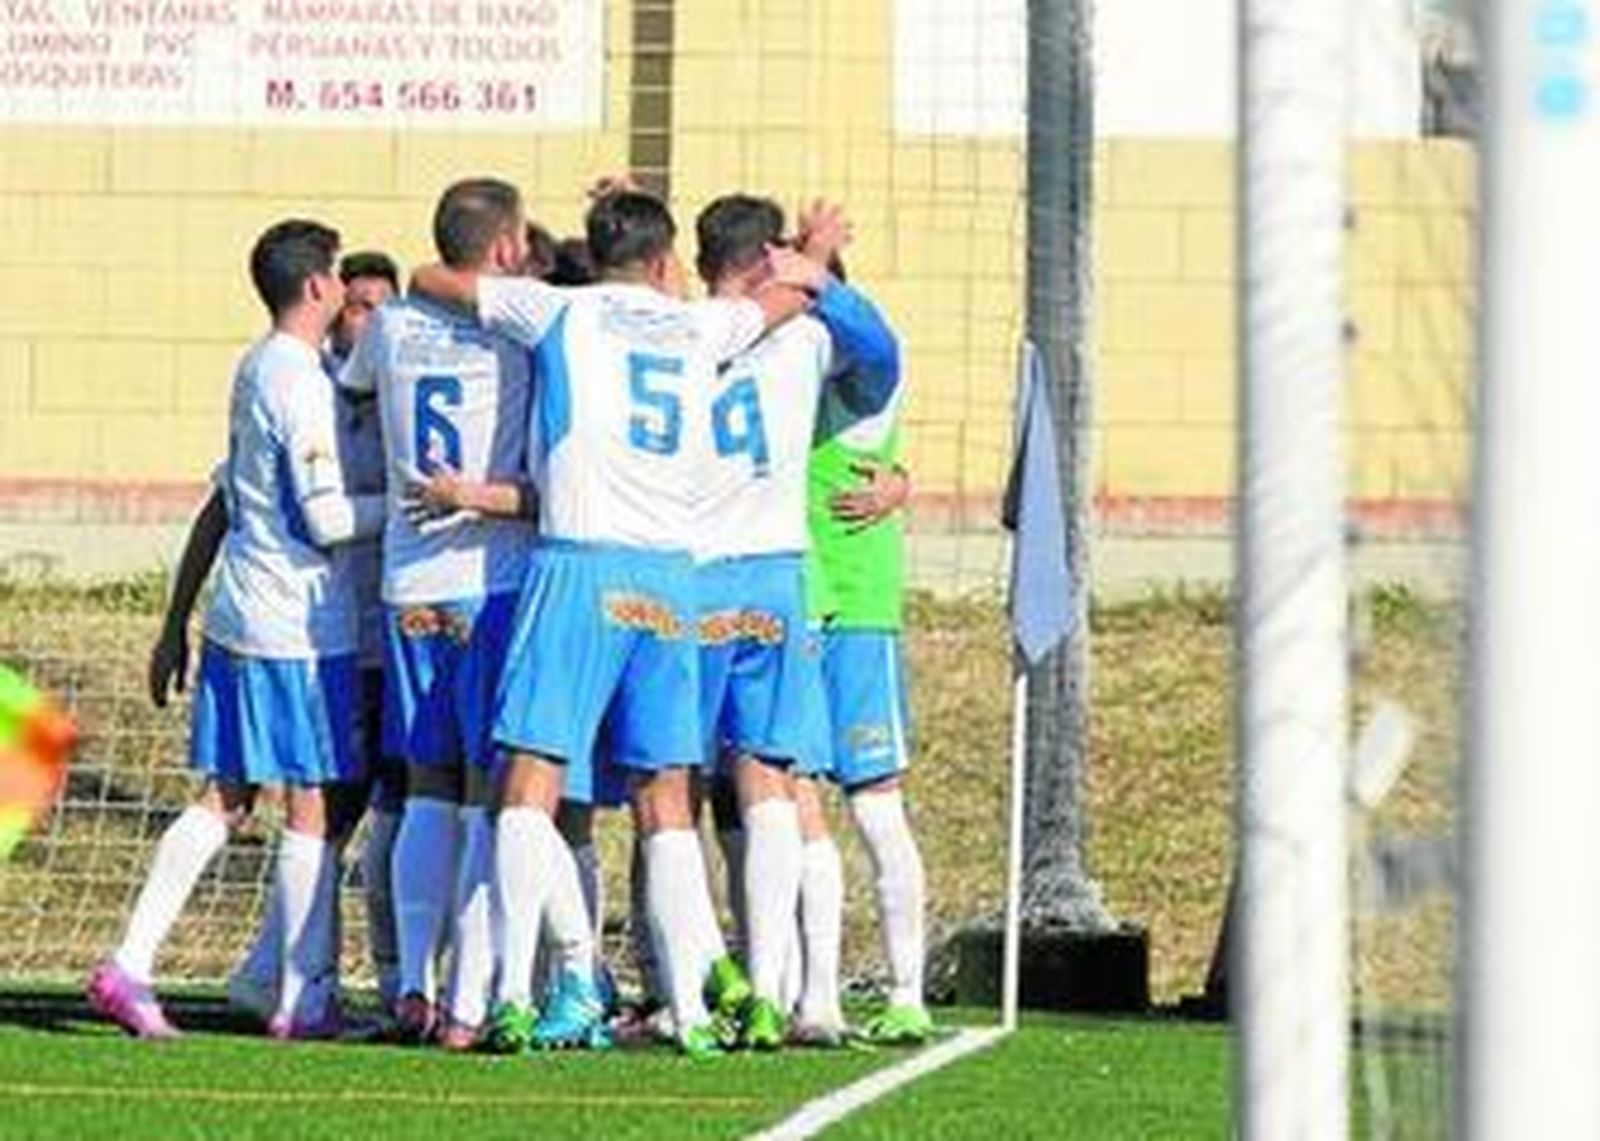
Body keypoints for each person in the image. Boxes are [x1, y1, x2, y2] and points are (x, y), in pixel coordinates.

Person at [410, 186, 824, 1056]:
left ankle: (513, 993)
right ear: (668, 261)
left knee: (530, 775)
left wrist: (516, 267)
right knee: (663, 794)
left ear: (594, 256)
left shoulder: (559, 311)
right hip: (671, 578)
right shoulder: (703, 323)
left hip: (579, 563)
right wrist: (810, 252)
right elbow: (790, 298)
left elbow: (429, 277)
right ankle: (693, 1008)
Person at [90, 219, 384, 1039]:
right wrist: (416, 507)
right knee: (311, 803)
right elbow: (326, 517)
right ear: (319, 286)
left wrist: (177, 617)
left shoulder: (258, 365)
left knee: (228, 794)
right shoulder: (298, 381)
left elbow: (232, 501)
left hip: (244, 609)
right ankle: (301, 997)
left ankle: (133, 961)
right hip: (294, 620)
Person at [690, 194, 899, 1049]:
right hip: (778, 578)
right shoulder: (808, 341)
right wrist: (819, 278)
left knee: (671, 791)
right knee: (772, 782)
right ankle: (776, 987)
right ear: (767, 263)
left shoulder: (674, 334)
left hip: (690, 579)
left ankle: (704, 986)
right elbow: (882, 352)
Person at [339, 179, 536, 1048]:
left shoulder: (385, 328)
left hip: (408, 585)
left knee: (425, 784)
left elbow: (354, 388)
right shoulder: (520, 333)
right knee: (495, 793)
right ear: (502, 250)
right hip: (489, 583)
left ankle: (414, 988)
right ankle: (470, 998)